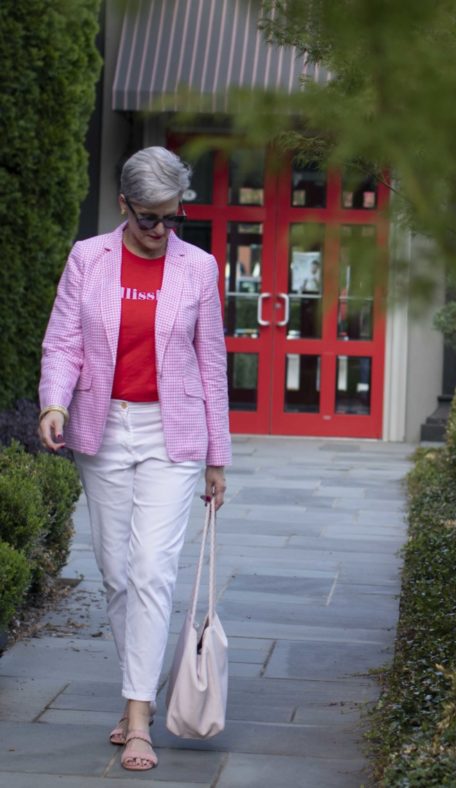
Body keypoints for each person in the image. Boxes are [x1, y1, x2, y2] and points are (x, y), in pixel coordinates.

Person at [38, 146, 231, 772]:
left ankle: (140, 714)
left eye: (174, 217)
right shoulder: (87, 258)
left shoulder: (199, 269)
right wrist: (53, 403)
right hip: (103, 429)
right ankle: (138, 688)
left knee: (151, 569)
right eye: (149, 218)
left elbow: (213, 363)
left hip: (174, 435)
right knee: (118, 573)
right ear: (124, 205)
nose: (161, 231)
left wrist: (217, 459)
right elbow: (64, 339)